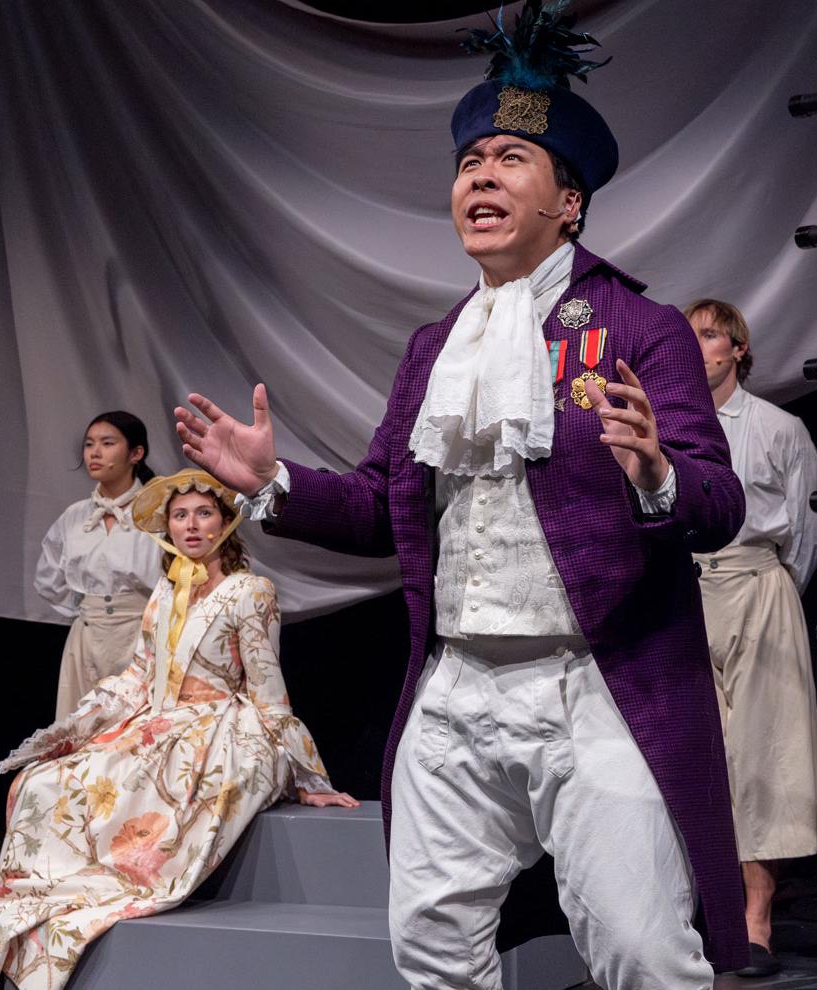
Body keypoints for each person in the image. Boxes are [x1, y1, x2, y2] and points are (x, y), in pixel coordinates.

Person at [171, 3, 750, 984]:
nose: (479, 172)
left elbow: (719, 501)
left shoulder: (639, 330)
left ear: (569, 203)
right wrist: (271, 481)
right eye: (468, 159)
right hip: (457, 684)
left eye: (510, 159)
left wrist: (656, 473)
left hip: (594, 680)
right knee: (430, 949)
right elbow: (375, 509)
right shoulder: (434, 351)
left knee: (641, 947)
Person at [0, 468, 358, 990]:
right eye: (180, 516)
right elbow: (139, 674)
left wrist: (308, 775)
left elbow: (268, 686)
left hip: (217, 724)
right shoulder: (165, 591)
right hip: (156, 719)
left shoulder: (250, 592)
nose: (191, 525)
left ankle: (103, 892)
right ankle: (29, 914)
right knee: (45, 783)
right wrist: (76, 728)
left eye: (204, 513)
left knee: (158, 790)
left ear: (226, 523)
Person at [686, 298, 817, 978]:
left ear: (738, 349)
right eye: (687, 335)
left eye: (710, 335)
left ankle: (754, 918)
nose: (697, 345)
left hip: (757, 586)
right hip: (682, 594)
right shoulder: (669, 429)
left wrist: (772, 593)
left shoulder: (778, 427)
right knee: (694, 754)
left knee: (762, 753)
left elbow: (807, 529)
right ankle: (691, 910)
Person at [34, 411, 164, 719]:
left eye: (107, 443)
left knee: (136, 733)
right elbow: (48, 580)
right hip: (88, 639)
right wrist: (89, 609)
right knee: (83, 732)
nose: (95, 452)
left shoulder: (158, 512)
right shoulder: (76, 516)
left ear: (136, 453)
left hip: (141, 637)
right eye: (89, 444)